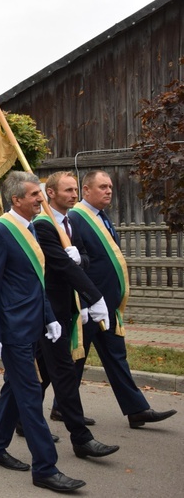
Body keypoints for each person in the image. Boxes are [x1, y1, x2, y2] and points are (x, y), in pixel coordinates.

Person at [0, 171, 85, 492]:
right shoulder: (1, 231)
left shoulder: (29, 228)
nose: (41, 199)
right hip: (12, 331)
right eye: (35, 195)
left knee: (14, 389)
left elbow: (35, 281)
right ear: (16, 200)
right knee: (29, 397)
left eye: (40, 194)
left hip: (33, 324)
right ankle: (45, 467)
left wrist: (50, 317)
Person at [68, 170, 177, 428]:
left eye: (110, 187)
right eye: (103, 186)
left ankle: (137, 410)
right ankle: (61, 407)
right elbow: (75, 265)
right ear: (86, 190)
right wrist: (84, 302)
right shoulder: (76, 218)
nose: (108, 191)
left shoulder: (102, 216)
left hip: (107, 305)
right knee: (75, 359)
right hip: (89, 303)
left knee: (116, 356)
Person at [32, 171, 120, 458]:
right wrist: (94, 297)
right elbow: (62, 267)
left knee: (41, 374)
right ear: (51, 194)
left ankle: (15, 423)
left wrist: (79, 257)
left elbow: (84, 258)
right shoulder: (43, 226)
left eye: (74, 190)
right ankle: (81, 438)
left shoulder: (70, 223)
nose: (73, 195)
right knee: (64, 373)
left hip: (68, 309)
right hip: (48, 313)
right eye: (67, 190)